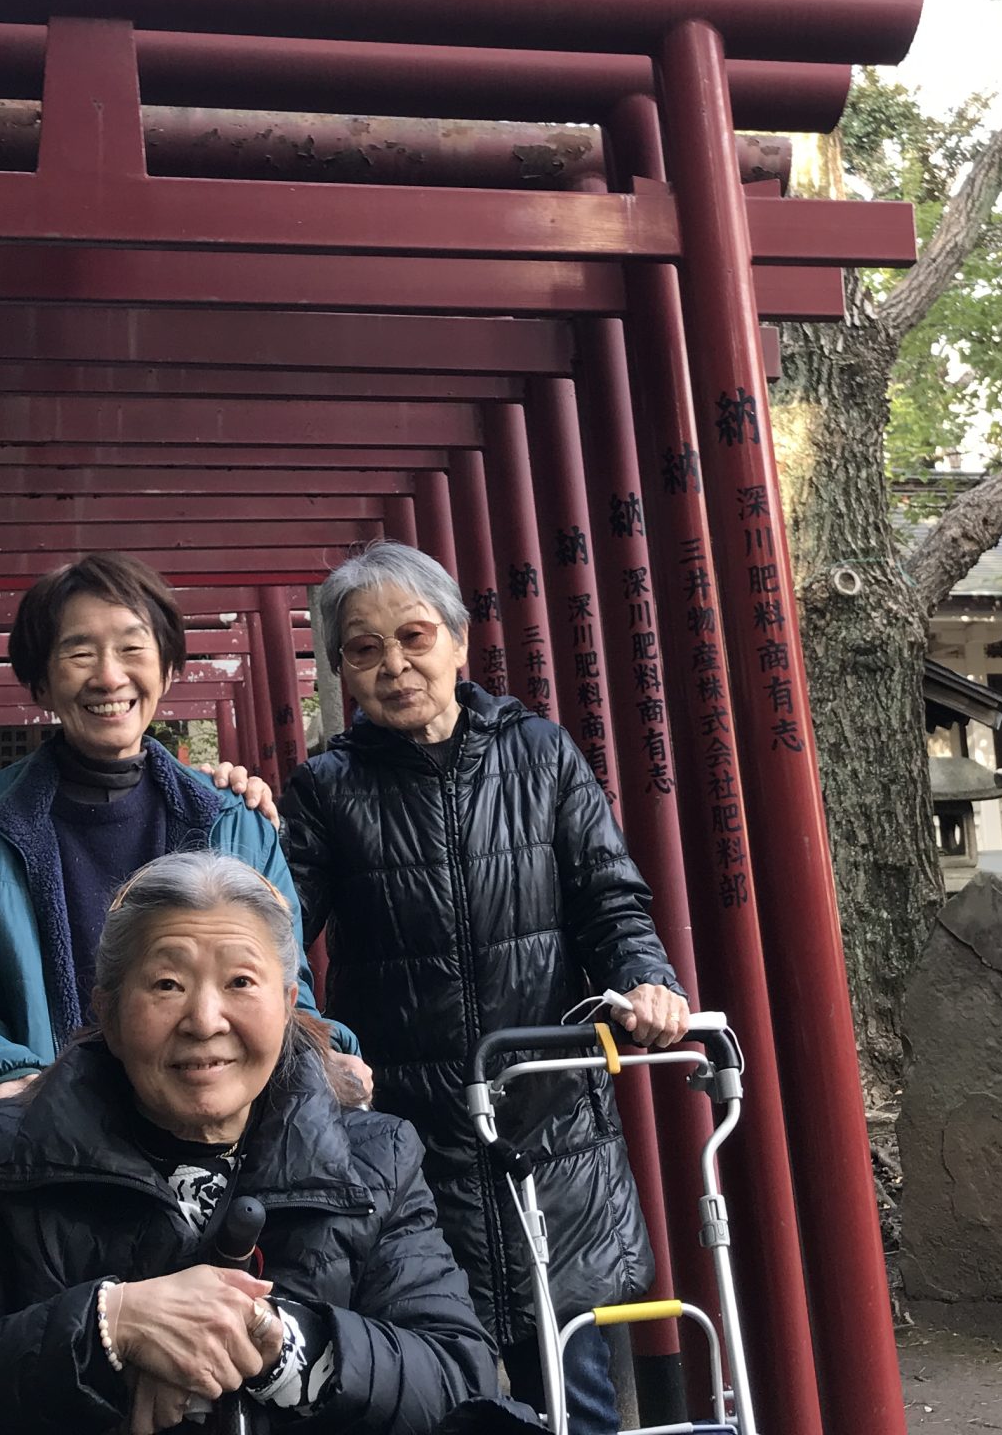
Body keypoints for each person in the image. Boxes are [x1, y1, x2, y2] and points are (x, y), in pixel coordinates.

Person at [0, 851, 494, 1434]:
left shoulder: (375, 1158)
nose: (205, 1020)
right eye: (167, 984)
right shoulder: (16, 1157)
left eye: (241, 982)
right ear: (108, 1013)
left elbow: (459, 1377)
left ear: (289, 1002)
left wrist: (271, 1340)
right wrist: (110, 1326)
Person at [281, 542, 688, 1435]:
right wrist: (307, 1039)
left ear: (459, 642)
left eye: (414, 636)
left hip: (548, 1127)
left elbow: (611, 903)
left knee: (573, 1381)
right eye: (363, 649)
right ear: (343, 670)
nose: (394, 665)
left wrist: (648, 983)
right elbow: (273, 941)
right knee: (437, 1389)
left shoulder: (541, 755)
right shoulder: (325, 791)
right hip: (411, 1138)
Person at [0, 553, 355, 1160]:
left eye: (133, 649)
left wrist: (329, 1054)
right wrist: (7, 1087)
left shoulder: (233, 821)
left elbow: (284, 991)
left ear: (167, 669)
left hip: (218, 1150)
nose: (109, 677)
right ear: (40, 680)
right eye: (80, 653)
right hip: (44, 1152)